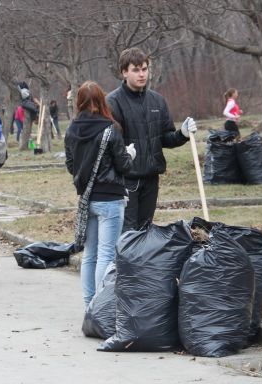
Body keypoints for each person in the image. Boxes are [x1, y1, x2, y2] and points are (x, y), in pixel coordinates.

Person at [106, 47, 197, 232]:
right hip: (126, 179)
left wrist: (183, 134)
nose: (142, 74)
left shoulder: (157, 101)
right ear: (124, 72)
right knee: (129, 233)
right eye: (136, 70)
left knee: (146, 229)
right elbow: (108, 146)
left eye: (145, 69)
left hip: (151, 177)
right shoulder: (113, 102)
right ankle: (124, 262)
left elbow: (165, 138)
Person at [64, 81, 134, 306]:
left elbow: (70, 165)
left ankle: (89, 306)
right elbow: (124, 166)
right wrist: (129, 153)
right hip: (110, 199)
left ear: (79, 102)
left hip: (87, 199)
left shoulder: (72, 129)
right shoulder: (110, 129)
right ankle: (101, 307)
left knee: (90, 255)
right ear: (103, 101)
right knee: (106, 254)